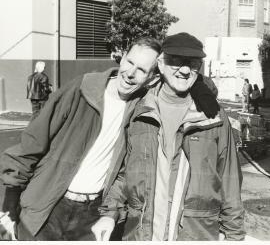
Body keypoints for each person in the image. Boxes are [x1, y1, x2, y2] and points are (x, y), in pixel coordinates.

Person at [0, 37, 218, 241]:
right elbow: (32, 143)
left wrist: (111, 215)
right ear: (122, 58)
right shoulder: (82, 88)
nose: (130, 73)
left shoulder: (143, 109)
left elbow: (196, 83)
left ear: (152, 77)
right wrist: (10, 204)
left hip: (93, 215)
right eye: (129, 62)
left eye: (141, 70)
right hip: (47, 205)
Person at [92, 32, 245, 241]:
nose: (183, 70)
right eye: (175, 61)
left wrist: (234, 235)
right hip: (141, 233)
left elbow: (230, 180)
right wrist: (109, 214)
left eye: (191, 63)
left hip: (195, 233)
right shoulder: (140, 111)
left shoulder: (213, 116)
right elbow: (124, 172)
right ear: (161, 64)